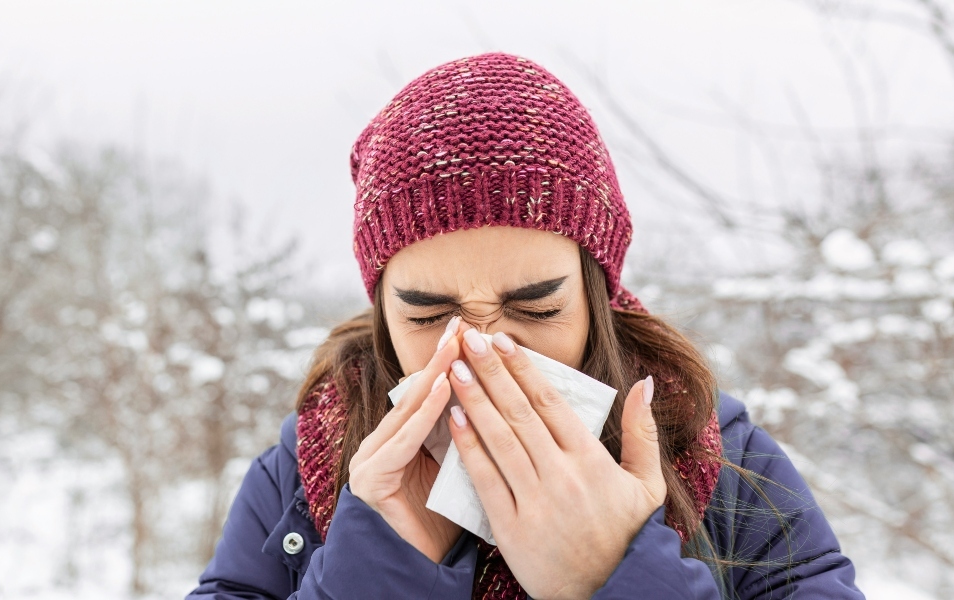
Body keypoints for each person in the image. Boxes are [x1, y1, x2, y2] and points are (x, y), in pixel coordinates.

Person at [187, 52, 865, 599]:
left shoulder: (716, 448)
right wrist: (377, 571)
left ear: (597, 293)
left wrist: (616, 575)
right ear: (381, 310)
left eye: (537, 308)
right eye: (427, 314)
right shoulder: (305, 465)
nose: (486, 348)